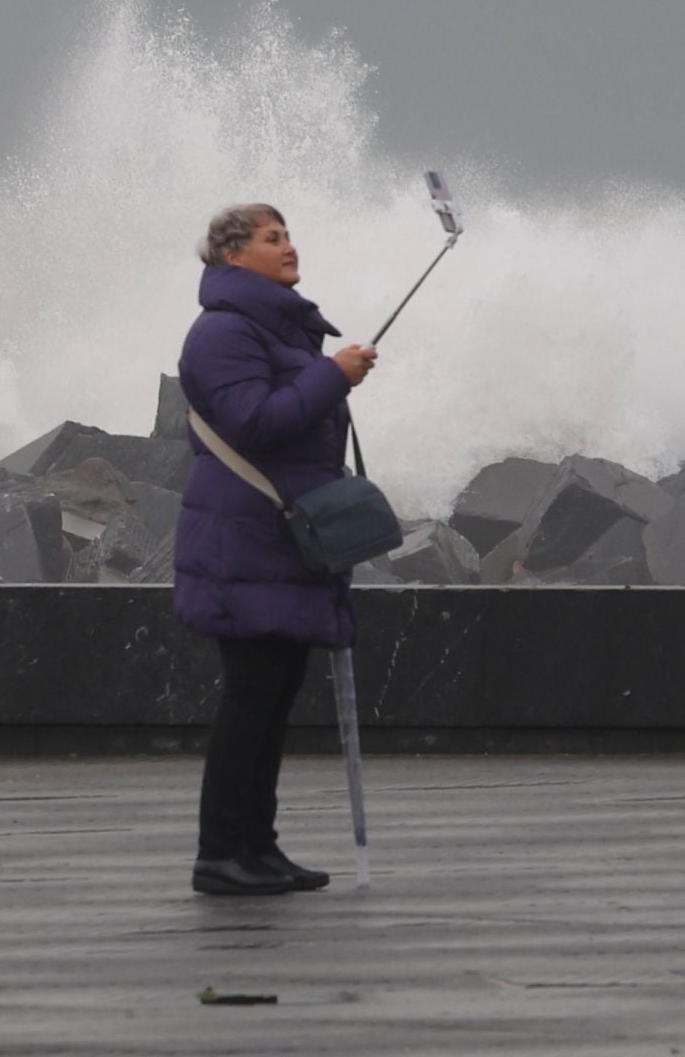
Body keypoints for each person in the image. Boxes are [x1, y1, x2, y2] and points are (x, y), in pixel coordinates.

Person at [174, 203, 378, 897]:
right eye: (272, 238)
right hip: (244, 537)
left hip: (277, 539)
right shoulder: (222, 333)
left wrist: (329, 375)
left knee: (275, 692)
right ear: (234, 257)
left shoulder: (272, 327)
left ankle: (257, 846)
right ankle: (220, 852)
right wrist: (333, 376)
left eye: (288, 235)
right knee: (251, 695)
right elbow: (254, 423)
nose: (289, 247)